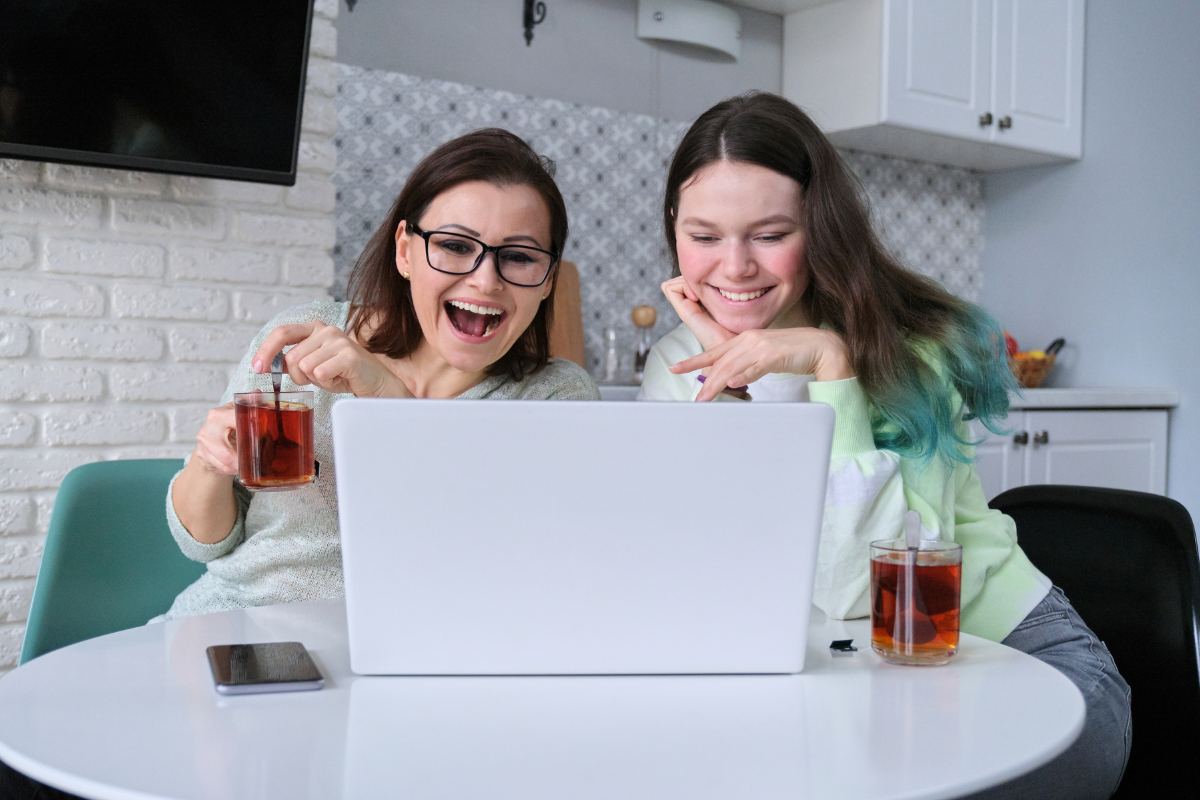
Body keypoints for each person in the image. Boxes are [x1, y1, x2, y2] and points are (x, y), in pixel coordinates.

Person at [640, 93, 1130, 800]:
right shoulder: (677, 365)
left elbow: (873, 593)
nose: (736, 266)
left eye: (770, 233)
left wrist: (826, 367)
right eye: (705, 235)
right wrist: (748, 369)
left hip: (1010, 656)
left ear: (821, 228)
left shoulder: (913, 350)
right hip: (840, 672)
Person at [158, 128, 599, 622]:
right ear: (405, 252)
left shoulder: (556, 399)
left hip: (409, 654)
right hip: (230, 623)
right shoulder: (301, 338)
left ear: (548, 281)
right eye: (454, 245)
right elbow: (204, 546)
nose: (485, 280)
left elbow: (506, 567)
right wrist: (208, 464)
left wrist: (385, 396)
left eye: (518, 256)